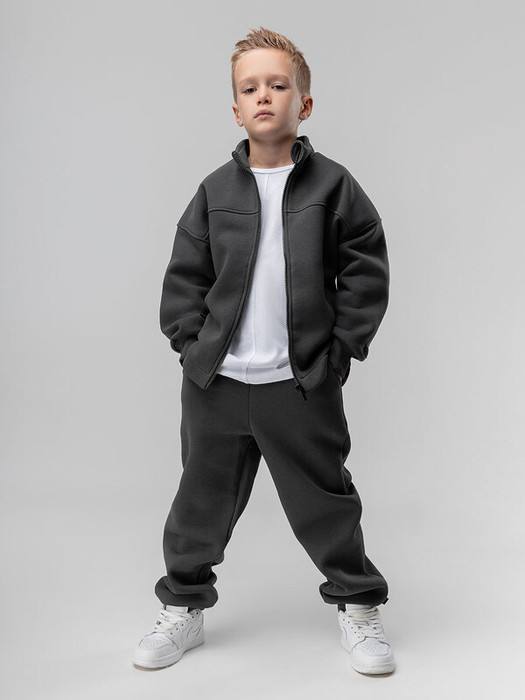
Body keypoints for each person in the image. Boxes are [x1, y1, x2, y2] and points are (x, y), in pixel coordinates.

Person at [133, 26, 395, 676]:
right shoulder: (213, 192)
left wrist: (340, 352)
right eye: (249, 88)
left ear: (304, 103)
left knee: (326, 502)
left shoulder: (334, 187)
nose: (264, 96)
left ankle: (359, 605)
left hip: (299, 384)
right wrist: (191, 347)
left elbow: (365, 269)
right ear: (235, 108)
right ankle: (183, 607)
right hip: (216, 386)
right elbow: (184, 277)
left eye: (278, 85)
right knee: (199, 504)